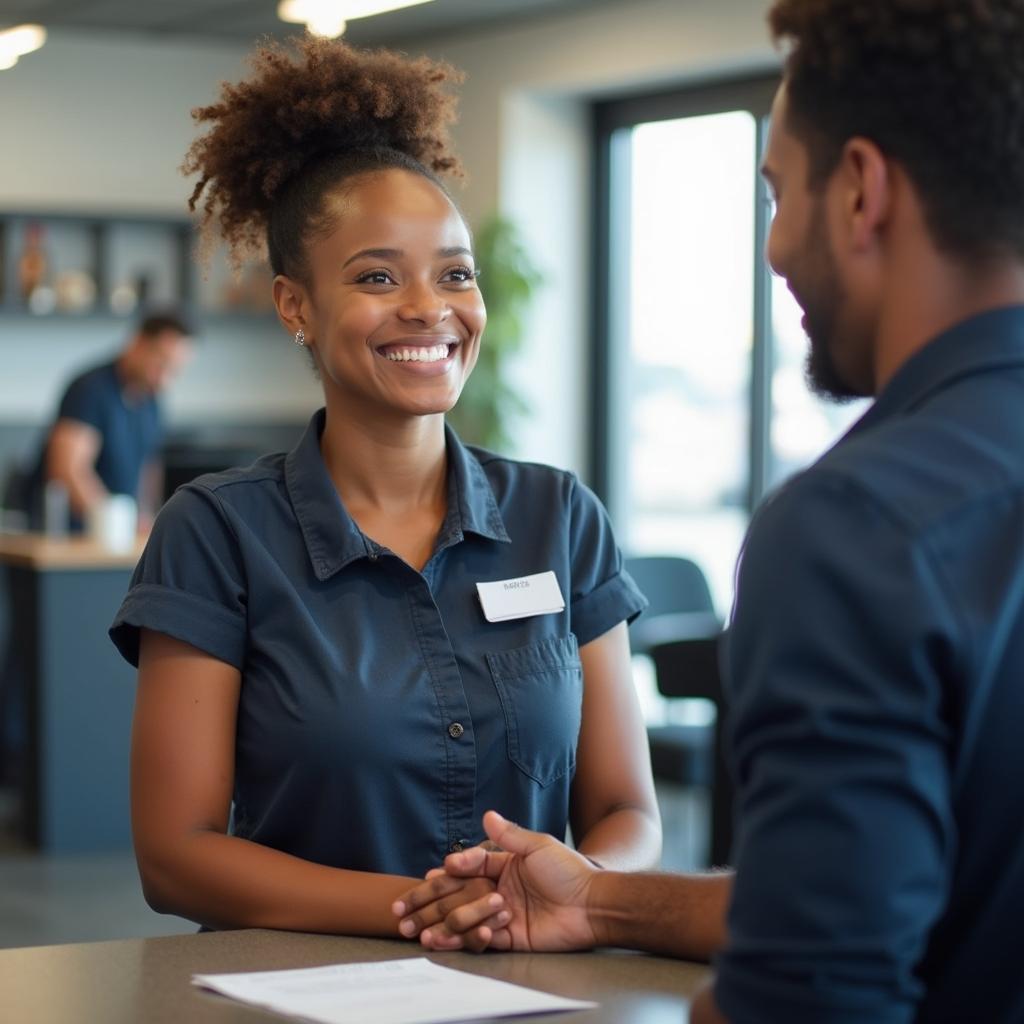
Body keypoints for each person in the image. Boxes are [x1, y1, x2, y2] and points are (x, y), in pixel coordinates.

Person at [393, 2, 1024, 1021]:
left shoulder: (857, 526)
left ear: (860, 190)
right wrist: (600, 898)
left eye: (779, 194)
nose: (774, 252)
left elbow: (814, 993)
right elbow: (907, 888)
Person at [107, 37, 660, 938]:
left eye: (455, 272)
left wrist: (582, 895)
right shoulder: (216, 534)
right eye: (376, 276)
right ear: (295, 307)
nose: (428, 307)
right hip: (300, 994)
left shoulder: (559, 518)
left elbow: (628, 813)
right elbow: (176, 855)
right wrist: (442, 912)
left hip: (535, 987)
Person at [32, 309, 193, 530]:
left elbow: (148, 469)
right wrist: (113, 524)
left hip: (118, 539)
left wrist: (146, 519)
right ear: (137, 344)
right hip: (72, 535)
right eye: (161, 364)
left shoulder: (152, 402)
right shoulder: (90, 390)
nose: (164, 381)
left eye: (174, 371)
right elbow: (68, 470)